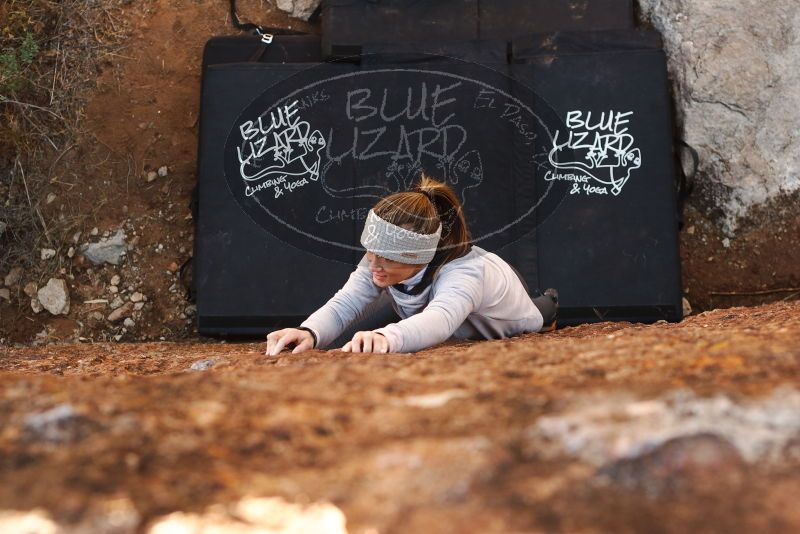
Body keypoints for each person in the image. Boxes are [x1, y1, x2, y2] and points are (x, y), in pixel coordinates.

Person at [265, 173, 559, 356]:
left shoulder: (466, 273)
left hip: (503, 296)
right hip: (420, 300)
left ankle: (549, 303)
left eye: (387, 257)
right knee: (352, 336)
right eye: (370, 252)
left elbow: (441, 319)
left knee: (538, 316)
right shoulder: (378, 259)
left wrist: (386, 337)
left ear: (418, 255)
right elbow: (347, 302)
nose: (373, 263)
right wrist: (309, 331)